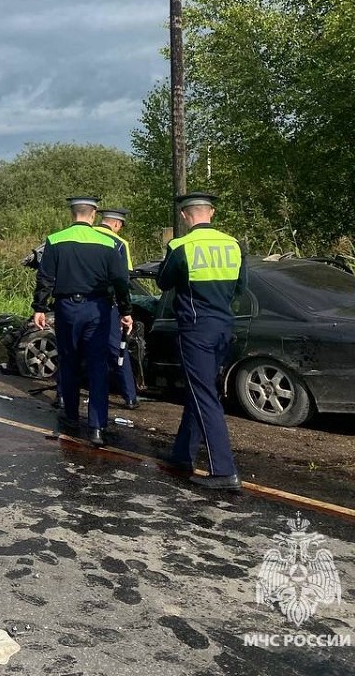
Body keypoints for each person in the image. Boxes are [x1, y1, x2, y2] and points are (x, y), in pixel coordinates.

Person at [157, 192, 247, 490]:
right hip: (224, 326)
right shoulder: (234, 245)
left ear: (184, 216)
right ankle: (182, 454)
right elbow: (241, 288)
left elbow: (164, 282)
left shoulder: (181, 245)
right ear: (212, 213)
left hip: (196, 329)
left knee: (205, 396)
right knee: (201, 391)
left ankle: (224, 470)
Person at [33, 197, 133, 445]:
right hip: (98, 308)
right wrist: (125, 310)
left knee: (69, 360)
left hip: (67, 308)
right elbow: (120, 281)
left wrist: (39, 308)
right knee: (98, 365)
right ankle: (97, 426)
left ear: (72, 213)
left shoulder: (55, 240)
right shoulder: (109, 242)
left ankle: (70, 415)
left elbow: (45, 277)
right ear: (94, 214)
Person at [96, 208, 140, 410]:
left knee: (76, 348)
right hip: (108, 304)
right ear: (116, 224)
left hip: (80, 303)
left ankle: (63, 395)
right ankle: (130, 396)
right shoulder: (120, 244)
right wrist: (126, 311)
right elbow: (124, 279)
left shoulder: (86, 236)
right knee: (117, 349)